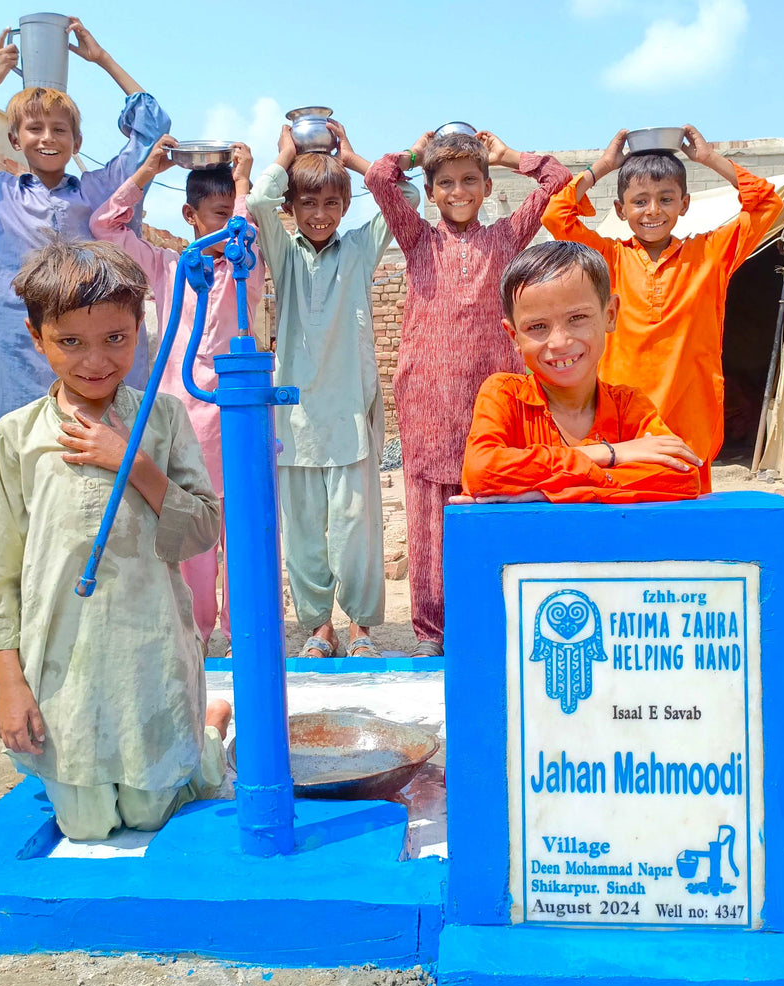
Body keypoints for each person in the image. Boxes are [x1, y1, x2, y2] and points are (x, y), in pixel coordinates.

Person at [0, 238, 229, 841]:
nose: (96, 361)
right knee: (86, 826)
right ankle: (172, 744)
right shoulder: (17, 436)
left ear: (140, 330)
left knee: (146, 813)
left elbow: (201, 530)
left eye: (116, 338)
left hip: (150, 655)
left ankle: (208, 730)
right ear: (37, 338)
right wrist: (9, 683)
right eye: (70, 342)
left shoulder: (161, 419)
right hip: (64, 662)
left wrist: (131, 461)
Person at [0, 20, 171, 430]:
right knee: (26, 469)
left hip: (103, 365)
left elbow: (153, 126)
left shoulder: (105, 190)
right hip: (18, 361)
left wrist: (101, 59)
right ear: (15, 139)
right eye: (35, 128)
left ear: (76, 142)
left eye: (60, 129)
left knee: (115, 469)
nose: (48, 138)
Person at [364, 130, 572, 655]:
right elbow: (378, 177)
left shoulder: (505, 238)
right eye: (447, 183)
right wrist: (416, 153)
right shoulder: (417, 239)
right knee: (429, 512)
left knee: (488, 502)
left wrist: (507, 156)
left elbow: (557, 179)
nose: (459, 192)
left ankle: (485, 615)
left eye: (470, 181)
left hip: (490, 402)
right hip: (427, 398)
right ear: (430, 192)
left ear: (485, 186)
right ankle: (432, 632)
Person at [246, 121, 420, 659]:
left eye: (329, 203)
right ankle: (318, 630)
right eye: (306, 203)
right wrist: (287, 153)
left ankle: (362, 629)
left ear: (345, 206)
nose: (319, 214)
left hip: (349, 417)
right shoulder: (282, 251)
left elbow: (406, 195)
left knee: (356, 534)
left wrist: (353, 159)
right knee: (302, 538)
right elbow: (256, 200)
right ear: (292, 209)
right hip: (295, 422)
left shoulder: (361, 250)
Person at [90, 136, 264, 654]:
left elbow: (248, 228)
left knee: (243, 529)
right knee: (192, 523)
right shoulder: (168, 267)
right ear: (190, 214)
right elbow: (105, 227)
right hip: (182, 414)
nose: (229, 224)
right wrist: (148, 169)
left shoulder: (244, 264)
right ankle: (198, 632)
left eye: (234, 213)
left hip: (235, 414)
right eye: (217, 214)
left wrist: (242, 180)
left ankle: (244, 634)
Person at [541, 125, 783, 493]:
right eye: (639, 201)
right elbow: (557, 216)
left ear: (684, 204)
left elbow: (766, 202)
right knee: (626, 522)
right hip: (624, 422)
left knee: (688, 529)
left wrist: (707, 158)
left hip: (690, 420)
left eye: (666, 199)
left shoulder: (710, 255)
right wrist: (603, 166)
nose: (652, 211)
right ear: (620, 210)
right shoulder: (608, 260)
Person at [461, 241, 701, 504]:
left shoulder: (630, 406)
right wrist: (609, 454)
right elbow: (481, 471)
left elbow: (683, 476)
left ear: (610, 315)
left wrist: (545, 494)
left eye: (577, 318)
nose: (560, 342)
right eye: (537, 326)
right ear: (513, 335)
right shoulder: (504, 394)